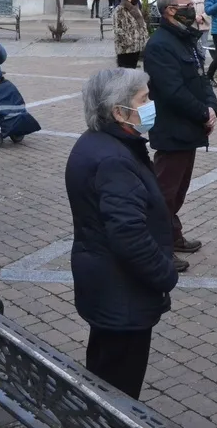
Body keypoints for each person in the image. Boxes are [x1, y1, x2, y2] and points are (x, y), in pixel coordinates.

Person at [65, 68, 178, 400]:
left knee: (104, 370)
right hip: (121, 292)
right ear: (119, 111)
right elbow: (129, 235)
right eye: (144, 99)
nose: (151, 104)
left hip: (105, 286)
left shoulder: (96, 143)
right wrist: (165, 274)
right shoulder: (114, 159)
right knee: (119, 388)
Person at [143, 0, 217, 273]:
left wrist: (212, 107)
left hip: (189, 129)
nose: (193, 8)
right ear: (171, 10)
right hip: (172, 130)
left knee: (177, 191)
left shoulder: (185, 38)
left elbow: (201, 79)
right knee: (164, 193)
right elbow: (172, 90)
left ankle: (173, 235)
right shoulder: (160, 45)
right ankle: (158, 248)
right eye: (188, 4)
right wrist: (202, 113)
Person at [113, 0, 149, 69]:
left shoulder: (136, 8)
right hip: (125, 49)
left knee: (132, 70)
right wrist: (129, 42)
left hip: (136, 47)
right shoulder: (120, 10)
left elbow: (142, 25)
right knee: (124, 72)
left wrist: (144, 39)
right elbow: (118, 29)